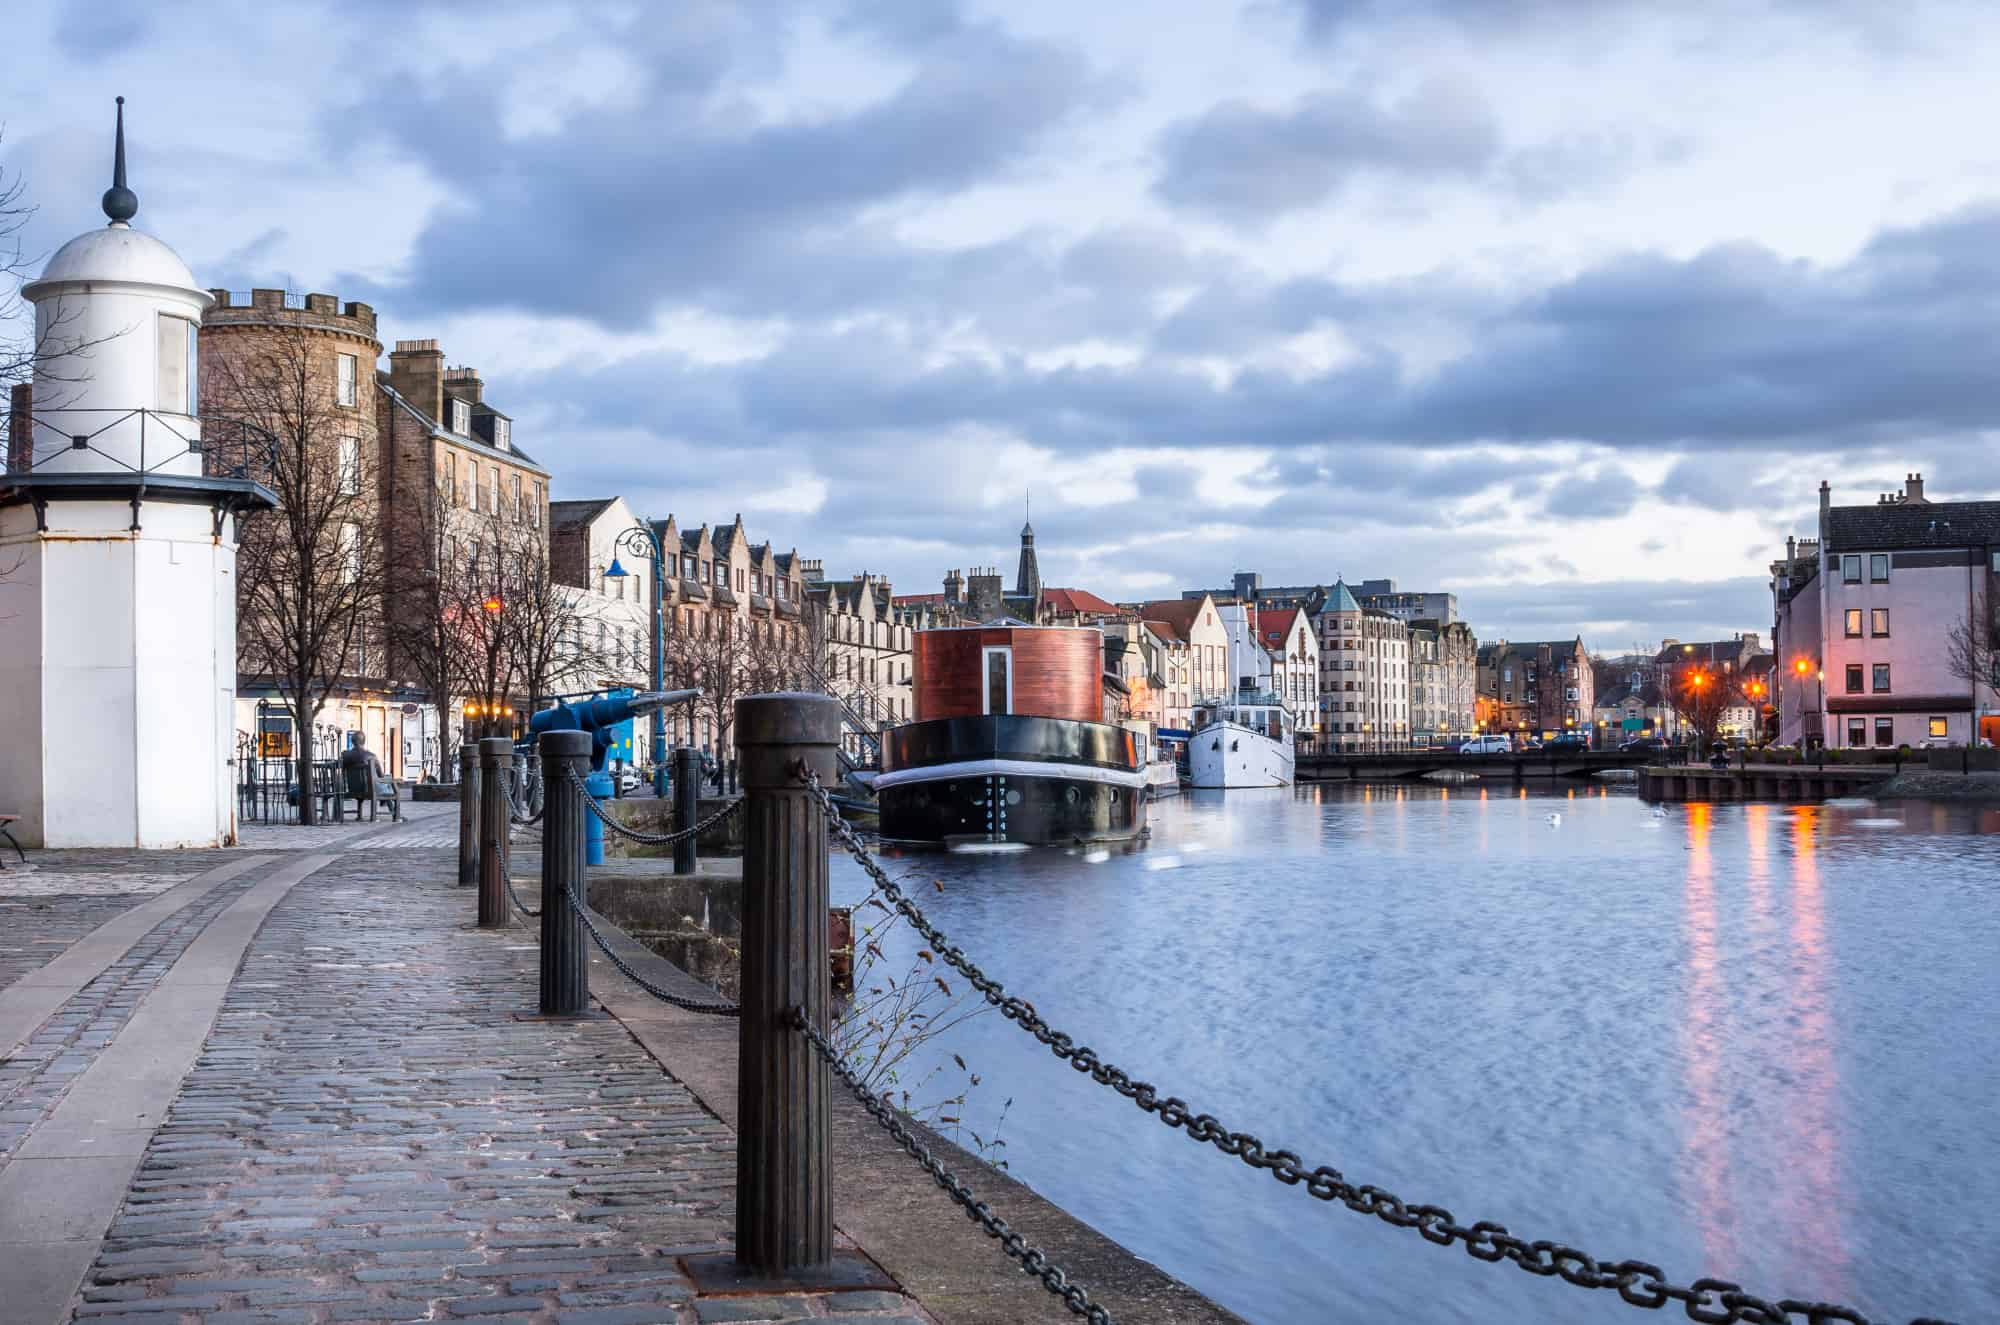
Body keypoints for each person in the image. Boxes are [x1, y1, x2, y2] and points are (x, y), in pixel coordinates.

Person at [339, 734, 380, 821]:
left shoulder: (346, 755)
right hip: (369, 789)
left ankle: (358, 816)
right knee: (388, 785)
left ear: (352, 742)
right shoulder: (372, 756)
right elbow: (381, 775)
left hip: (352, 788)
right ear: (364, 741)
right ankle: (394, 812)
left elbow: (340, 769)